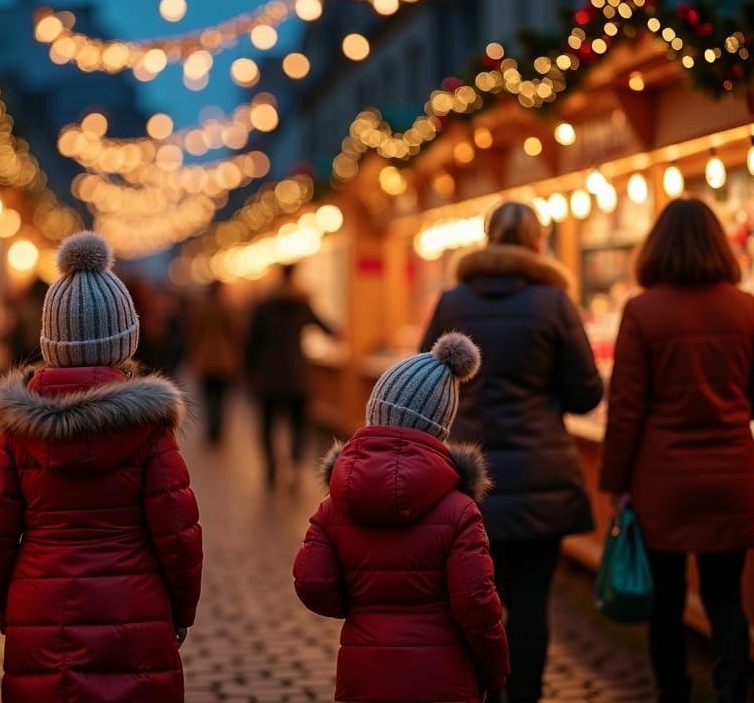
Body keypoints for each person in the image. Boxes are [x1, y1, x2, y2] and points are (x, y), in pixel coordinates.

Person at [0, 230, 203, 703]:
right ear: (126, 340)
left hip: (39, 607)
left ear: (50, 341)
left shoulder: (18, 432)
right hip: (135, 608)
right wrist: (179, 612)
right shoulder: (150, 428)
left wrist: (11, 611)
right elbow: (178, 535)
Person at [421, 200, 604, 703]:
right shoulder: (554, 302)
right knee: (530, 604)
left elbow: (425, 382)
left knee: (471, 599)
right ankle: (525, 695)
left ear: (486, 238)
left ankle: (483, 692)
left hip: (464, 479)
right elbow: (587, 392)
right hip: (540, 478)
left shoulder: (452, 301)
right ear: (536, 243)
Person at [293, 332, 509, 703]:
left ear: (375, 409)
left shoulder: (336, 503)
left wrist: (364, 607)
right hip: (443, 677)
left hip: (365, 673)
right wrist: (495, 672)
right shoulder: (459, 510)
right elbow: (476, 603)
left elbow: (312, 582)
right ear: (440, 428)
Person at [599, 197, 754, 703]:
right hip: (732, 473)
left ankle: (674, 692)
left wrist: (615, 483)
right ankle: (732, 689)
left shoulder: (642, 311)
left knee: (665, 601)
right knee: (725, 597)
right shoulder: (746, 309)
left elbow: (625, 410)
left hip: (660, 480)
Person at [244, 261, 337, 488]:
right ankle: (295, 465)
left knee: (267, 425)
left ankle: (271, 467)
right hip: (297, 374)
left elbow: (251, 341)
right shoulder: (302, 305)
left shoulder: (264, 305)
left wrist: (250, 369)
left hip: (269, 374)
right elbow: (327, 328)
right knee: (298, 425)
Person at [184, 280, 244, 448]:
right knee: (222, 396)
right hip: (225, 359)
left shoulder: (200, 309)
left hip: (204, 359)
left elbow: (193, 333)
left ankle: (211, 428)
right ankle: (218, 429)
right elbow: (236, 334)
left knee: (207, 394)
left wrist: (193, 355)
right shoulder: (228, 309)